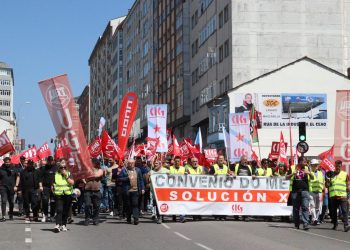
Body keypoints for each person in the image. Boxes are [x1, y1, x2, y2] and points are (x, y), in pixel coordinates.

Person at [286, 156, 314, 230]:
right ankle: (296, 224)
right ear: (300, 161)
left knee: (305, 207)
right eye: (304, 161)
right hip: (295, 191)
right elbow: (286, 177)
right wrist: (293, 174)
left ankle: (305, 224)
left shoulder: (307, 168)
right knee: (296, 209)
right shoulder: (293, 168)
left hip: (305, 191)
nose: (306, 163)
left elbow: (313, 178)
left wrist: (309, 173)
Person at [118, 159, 145, 225]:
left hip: (135, 190)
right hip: (127, 190)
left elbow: (141, 180)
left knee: (135, 204)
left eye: (132, 163)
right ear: (127, 163)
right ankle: (128, 218)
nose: (131, 164)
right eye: (129, 163)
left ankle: (136, 219)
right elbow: (119, 179)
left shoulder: (138, 170)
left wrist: (142, 188)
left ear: (134, 163)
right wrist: (127, 178)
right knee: (128, 205)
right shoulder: (124, 170)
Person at [326, 160, 349, 232]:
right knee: (333, 211)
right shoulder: (330, 174)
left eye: (339, 166)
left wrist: (348, 188)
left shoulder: (345, 174)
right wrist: (328, 182)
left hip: (342, 196)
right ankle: (335, 224)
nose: (337, 167)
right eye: (336, 166)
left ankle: (346, 225)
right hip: (333, 196)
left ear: (341, 166)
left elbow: (348, 184)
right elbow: (327, 185)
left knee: (344, 210)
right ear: (334, 166)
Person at [52, 159, 74, 232]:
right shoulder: (56, 174)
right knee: (59, 210)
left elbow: (72, 183)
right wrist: (53, 192)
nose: (63, 169)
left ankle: (64, 225)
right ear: (59, 168)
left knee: (65, 211)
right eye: (61, 167)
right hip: (59, 195)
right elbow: (52, 185)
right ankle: (57, 224)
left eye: (64, 167)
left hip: (67, 194)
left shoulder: (69, 173)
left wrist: (66, 176)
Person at [84, 158, 104, 226]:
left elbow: (97, 175)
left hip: (96, 190)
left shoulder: (100, 170)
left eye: (91, 162)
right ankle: (87, 218)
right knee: (87, 205)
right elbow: (83, 177)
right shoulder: (87, 169)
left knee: (97, 206)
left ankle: (95, 219)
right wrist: (85, 180)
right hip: (87, 190)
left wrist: (88, 177)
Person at [149, 159, 169, 224]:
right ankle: (159, 216)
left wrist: (169, 174)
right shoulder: (151, 171)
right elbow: (148, 180)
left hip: (164, 191)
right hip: (155, 192)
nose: (155, 165)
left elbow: (172, 176)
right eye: (154, 163)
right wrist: (148, 176)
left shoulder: (165, 170)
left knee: (163, 203)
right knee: (157, 204)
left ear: (160, 164)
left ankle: (162, 216)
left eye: (157, 163)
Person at [40, 156, 57, 222]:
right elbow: (40, 178)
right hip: (45, 187)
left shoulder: (56, 168)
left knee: (53, 202)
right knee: (45, 201)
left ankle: (52, 216)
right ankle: (45, 215)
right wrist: (41, 186)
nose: (50, 161)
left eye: (51, 160)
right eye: (49, 160)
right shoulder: (43, 168)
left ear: (53, 161)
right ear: (47, 161)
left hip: (54, 187)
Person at [169, 156, 186, 222]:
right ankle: (174, 215)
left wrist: (186, 175)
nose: (177, 162)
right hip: (173, 189)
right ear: (174, 161)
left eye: (178, 161)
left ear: (180, 161)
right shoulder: (170, 168)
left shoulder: (183, 169)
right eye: (175, 161)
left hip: (181, 189)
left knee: (182, 203)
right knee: (174, 203)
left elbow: (188, 178)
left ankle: (182, 216)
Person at [309, 159, 324, 225]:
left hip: (319, 192)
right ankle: (314, 219)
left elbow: (323, 181)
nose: (316, 166)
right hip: (311, 191)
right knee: (312, 206)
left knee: (318, 207)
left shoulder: (321, 173)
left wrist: (323, 188)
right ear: (311, 165)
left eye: (316, 165)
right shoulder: (309, 173)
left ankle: (316, 219)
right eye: (314, 165)